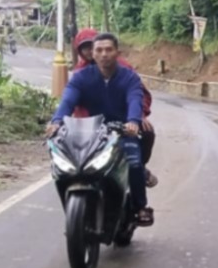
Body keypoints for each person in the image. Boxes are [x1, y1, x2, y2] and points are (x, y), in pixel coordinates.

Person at [47, 32, 153, 226]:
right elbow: (68, 99)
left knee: (135, 163)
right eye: (99, 50)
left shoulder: (129, 77)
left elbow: (135, 99)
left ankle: (140, 206)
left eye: (108, 50)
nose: (104, 54)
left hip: (122, 132)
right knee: (71, 165)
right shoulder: (81, 77)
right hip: (90, 132)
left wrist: (133, 121)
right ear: (93, 55)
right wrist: (57, 121)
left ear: (117, 53)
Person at [72, 28, 157, 188]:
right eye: (85, 48)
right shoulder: (80, 73)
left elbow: (137, 94)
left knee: (147, 133)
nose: (90, 52)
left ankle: (140, 169)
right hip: (91, 122)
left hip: (122, 119)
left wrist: (139, 116)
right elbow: (71, 100)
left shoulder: (123, 69)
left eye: (92, 46)